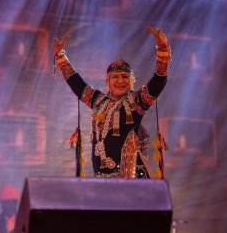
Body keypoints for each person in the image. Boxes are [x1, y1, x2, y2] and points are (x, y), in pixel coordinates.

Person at [54, 26, 172, 178]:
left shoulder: (136, 101)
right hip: (103, 179)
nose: (120, 81)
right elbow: (77, 84)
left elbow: (157, 83)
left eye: (124, 77)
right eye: (115, 77)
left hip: (132, 179)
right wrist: (60, 56)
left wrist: (162, 51)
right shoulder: (99, 101)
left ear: (132, 81)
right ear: (107, 81)